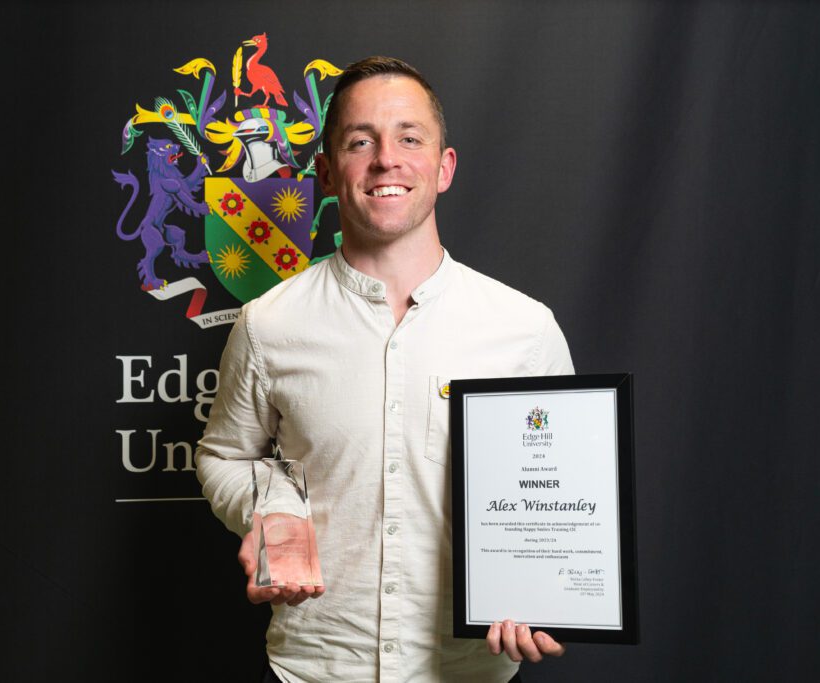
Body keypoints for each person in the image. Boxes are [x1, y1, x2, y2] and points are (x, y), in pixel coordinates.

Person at [196, 56, 573, 683]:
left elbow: (563, 492)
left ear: (443, 167)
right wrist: (273, 509)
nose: (386, 160)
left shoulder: (525, 329)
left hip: (469, 669)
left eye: (409, 138)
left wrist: (547, 587)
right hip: (314, 668)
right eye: (360, 141)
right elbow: (223, 457)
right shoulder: (269, 323)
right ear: (326, 171)